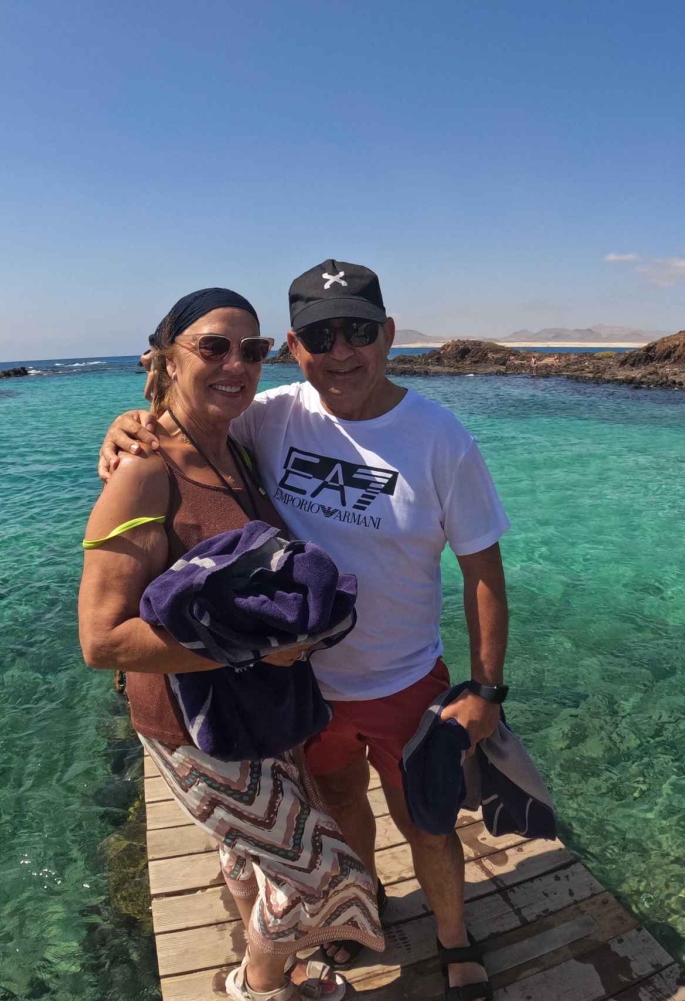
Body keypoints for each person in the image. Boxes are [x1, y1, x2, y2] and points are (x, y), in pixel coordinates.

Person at [98, 261, 511, 1000]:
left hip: (405, 678)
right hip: (305, 692)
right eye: (321, 336)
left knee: (429, 825)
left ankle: (455, 937)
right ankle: (360, 911)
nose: (341, 351)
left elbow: (483, 569)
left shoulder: (441, 438)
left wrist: (486, 688)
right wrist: (129, 425)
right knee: (342, 808)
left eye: (359, 331)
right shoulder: (271, 414)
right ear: (295, 347)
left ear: (388, 335)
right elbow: (186, 420)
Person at [79, 288, 382, 1001]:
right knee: (321, 876)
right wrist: (253, 649)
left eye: (253, 350)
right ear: (166, 358)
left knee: (245, 854)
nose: (236, 364)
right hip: (191, 726)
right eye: (213, 346)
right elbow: (102, 639)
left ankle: (277, 971)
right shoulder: (146, 469)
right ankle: (259, 981)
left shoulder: (238, 450)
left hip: (260, 709)